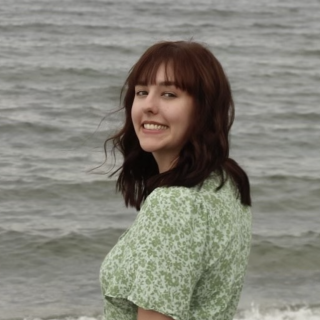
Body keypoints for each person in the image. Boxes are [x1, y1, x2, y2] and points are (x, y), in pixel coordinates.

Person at [100, 40, 252, 320]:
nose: (148, 106)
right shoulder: (226, 181)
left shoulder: (173, 205)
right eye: (142, 91)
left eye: (169, 94)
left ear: (203, 109)